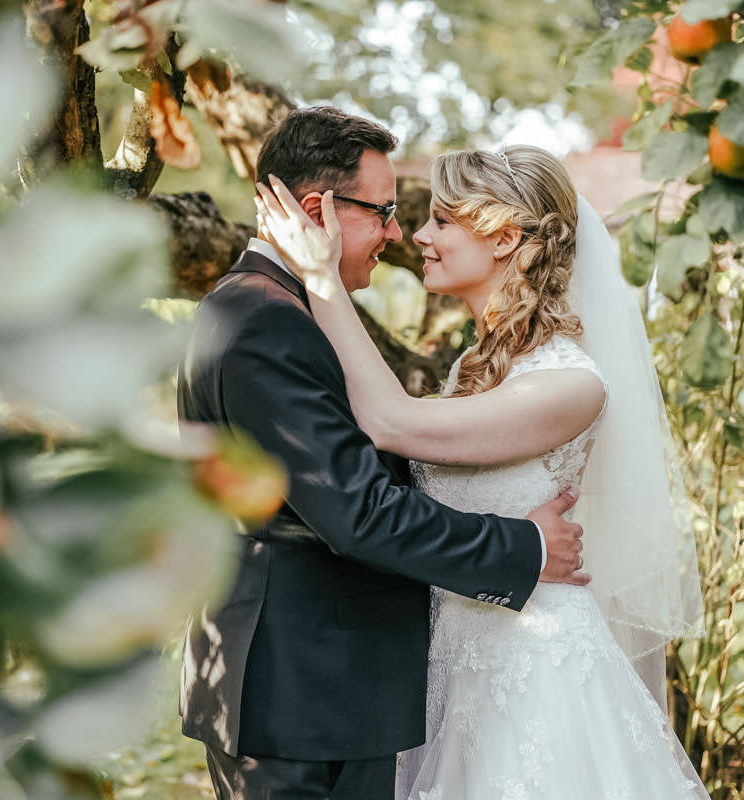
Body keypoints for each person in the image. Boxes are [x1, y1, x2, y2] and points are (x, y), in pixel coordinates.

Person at [255, 143, 709, 798]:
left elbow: (392, 424)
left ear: (503, 238)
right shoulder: (470, 370)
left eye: (442, 220)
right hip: (449, 670)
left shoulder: (570, 383)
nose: (419, 236)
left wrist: (322, 279)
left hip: (534, 673)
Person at [176, 108, 590, 800]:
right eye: (386, 212)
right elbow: (358, 513)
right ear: (318, 211)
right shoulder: (269, 324)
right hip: (305, 702)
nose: (401, 234)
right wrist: (526, 548)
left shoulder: (266, 310)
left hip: (326, 696)